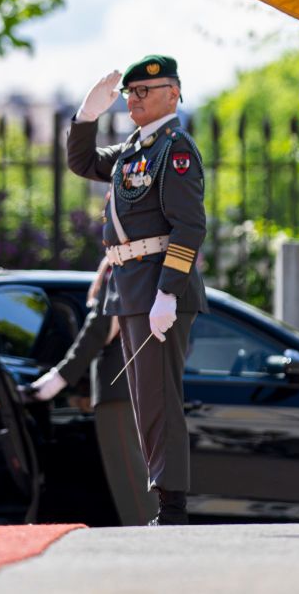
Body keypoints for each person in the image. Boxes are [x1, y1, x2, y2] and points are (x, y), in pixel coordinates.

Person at [65, 56, 207, 526]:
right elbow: (82, 161)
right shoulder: (133, 150)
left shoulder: (175, 148)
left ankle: (173, 506)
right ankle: (165, 500)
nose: (133, 99)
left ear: (174, 93)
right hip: (130, 290)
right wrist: (86, 116)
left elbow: (189, 225)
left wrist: (168, 291)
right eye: (129, 92)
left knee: (159, 398)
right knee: (146, 399)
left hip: (156, 288)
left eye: (145, 91)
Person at [23, 257, 155, 526]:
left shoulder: (123, 264)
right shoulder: (149, 263)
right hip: (137, 383)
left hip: (117, 390)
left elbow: (98, 329)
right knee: (139, 476)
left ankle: (151, 541)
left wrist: (55, 381)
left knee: (130, 479)